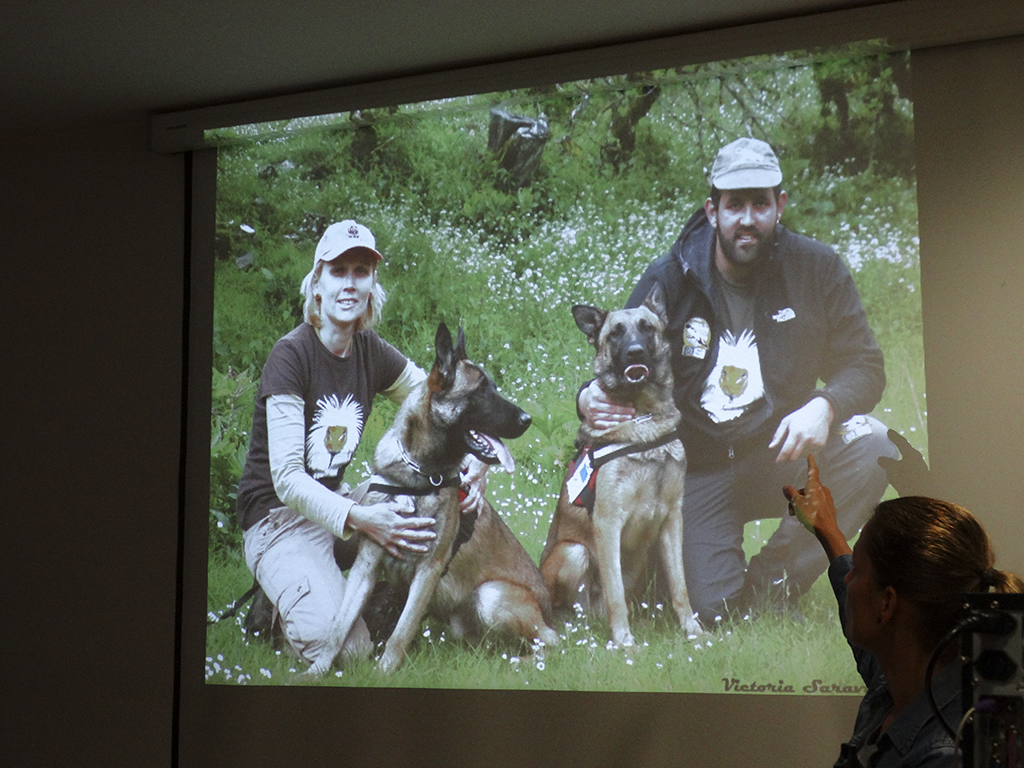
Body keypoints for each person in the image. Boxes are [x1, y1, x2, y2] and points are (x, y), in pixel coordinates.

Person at [578, 137, 898, 624]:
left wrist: (825, 405)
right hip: (697, 469)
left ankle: (775, 581)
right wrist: (587, 397)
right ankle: (700, 581)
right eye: (734, 205)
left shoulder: (817, 268)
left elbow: (865, 364)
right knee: (713, 611)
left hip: (779, 454)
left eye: (760, 204)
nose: (747, 219)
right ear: (713, 211)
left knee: (876, 446)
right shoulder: (671, 276)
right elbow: (620, 351)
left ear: (780, 205)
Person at [234, 219, 487, 669]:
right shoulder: (291, 356)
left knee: (452, 503)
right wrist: (362, 518)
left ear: (372, 285)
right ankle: (275, 607)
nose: (350, 283)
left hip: (335, 510)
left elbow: (439, 400)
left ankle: (363, 601)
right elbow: (287, 479)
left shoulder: (370, 350)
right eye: (338, 271)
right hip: (278, 521)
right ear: (317, 283)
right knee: (349, 653)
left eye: (361, 272)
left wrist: (478, 459)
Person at [785, 455, 1023, 767]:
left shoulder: (943, 756)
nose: (847, 579)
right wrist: (826, 529)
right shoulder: (903, 680)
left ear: (887, 603)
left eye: (857, 570)